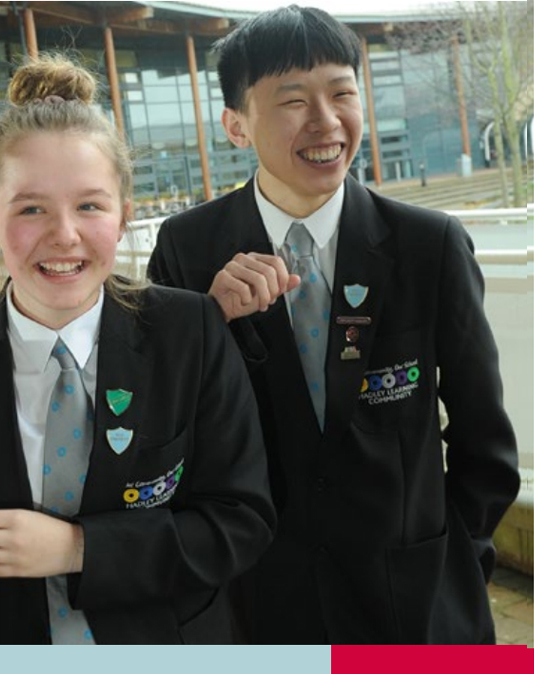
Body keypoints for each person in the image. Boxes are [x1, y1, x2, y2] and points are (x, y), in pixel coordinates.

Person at [148, 5, 519, 644]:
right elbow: (166, 432)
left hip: (416, 600)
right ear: (236, 124)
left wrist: (457, 557)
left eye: (343, 92)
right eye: (292, 100)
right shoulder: (188, 248)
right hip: (259, 596)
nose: (326, 122)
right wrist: (207, 323)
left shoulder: (428, 246)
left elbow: (486, 443)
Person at [0, 56, 275, 644]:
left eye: (90, 206)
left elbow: (240, 522)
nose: (65, 234)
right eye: (30, 209)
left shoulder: (189, 331)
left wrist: (80, 549)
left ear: (124, 215)